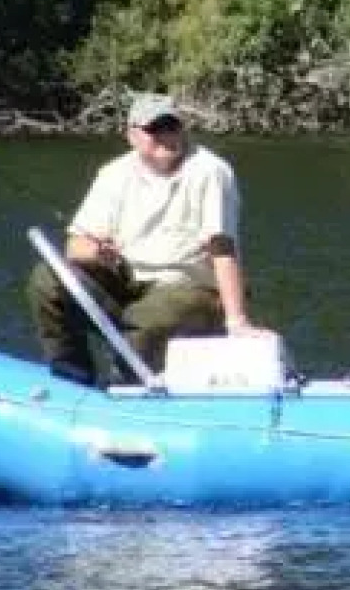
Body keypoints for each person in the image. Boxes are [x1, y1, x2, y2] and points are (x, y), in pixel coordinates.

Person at [26, 92, 269, 386]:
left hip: (192, 288)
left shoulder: (211, 171)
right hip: (128, 281)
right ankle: (72, 377)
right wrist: (95, 252)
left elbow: (222, 249)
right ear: (132, 136)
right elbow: (75, 246)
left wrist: (237, 321)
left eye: (172, 126)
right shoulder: (113, 173)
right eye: (155, 128)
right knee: (47, 279)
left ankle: (129, 388)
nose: (166, 136)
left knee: (144, 321)